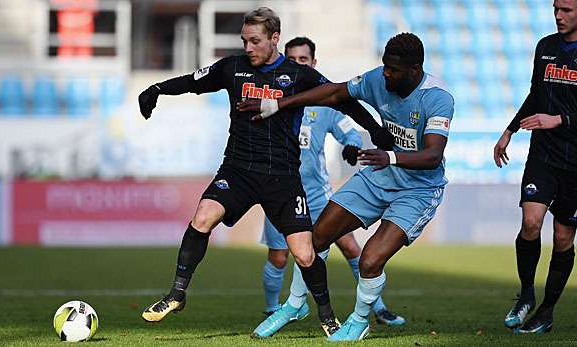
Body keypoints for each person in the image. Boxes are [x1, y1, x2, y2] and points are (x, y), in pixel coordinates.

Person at [136, 7, 394, 337]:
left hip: (283, 178)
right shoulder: (232, 68)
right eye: (244, 41)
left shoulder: (297, 74)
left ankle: (327, 316)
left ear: (274, 39)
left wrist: (376, 129)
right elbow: (192, 82)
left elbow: (340, 98)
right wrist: (156, 89)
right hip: (239, 170)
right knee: (202, 218)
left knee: (303, 253)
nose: (248, 48)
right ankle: (176, 294)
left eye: (254, 41)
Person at [239, 32, 453, 341]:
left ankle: (360, 319)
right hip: (379, 174)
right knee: (317, 237)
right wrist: (280, 103)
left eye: (393, 69)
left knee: (369, 259)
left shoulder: (437, 97)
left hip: (417, 189)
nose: (386, 74)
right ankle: (295, 304)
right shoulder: (378, 79)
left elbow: (433, 155)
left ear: (414, 69)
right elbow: (334, 94)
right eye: (385, 66)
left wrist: (390, 156)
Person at [259, 36, 406, 328]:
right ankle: (272, 307)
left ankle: (379, 307)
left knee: (351, 247)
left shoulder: (323, 104)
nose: (298, 65)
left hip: (316, 196)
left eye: (304, 60)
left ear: (313, 64)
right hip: (280, 193)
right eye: (292, 60)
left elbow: (347, 131)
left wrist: (351, 147)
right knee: (278, 257)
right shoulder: (273, 102)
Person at [493, 0, 577, 334]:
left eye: (567, 9)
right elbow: (535, 95)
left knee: (562, 236)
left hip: (575, 164)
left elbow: (554, 113)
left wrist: (560, 119)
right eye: (556, 8)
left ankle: (547, 310)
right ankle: (526, 293)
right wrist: (510, 129)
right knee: (531, 223)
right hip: (542, 154)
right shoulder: (545, 47)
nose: (559, 15)